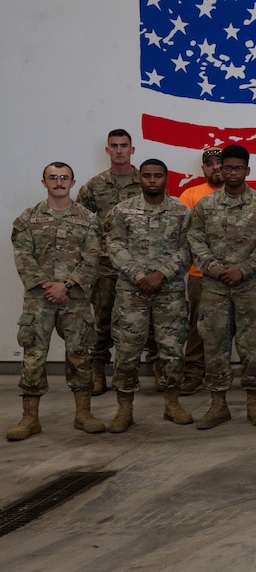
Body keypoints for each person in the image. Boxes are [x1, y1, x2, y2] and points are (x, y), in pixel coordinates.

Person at [6, 162, 105, 441]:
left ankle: (83, 413)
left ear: (73, 183)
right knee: (34, 356)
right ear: (44, 182)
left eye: (64, 178)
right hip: (39, 298)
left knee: (79, 355)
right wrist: (47, 285)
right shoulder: (28, 218)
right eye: (53, 178)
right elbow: (23, 254)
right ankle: (29, 418)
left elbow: (92, 257)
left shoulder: (88, 219)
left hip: (75, 298)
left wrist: (67, 285)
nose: (59, 182)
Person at [187, 145, 256, 430]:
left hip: (250, 286)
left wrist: (244, 269)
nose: (233, 173)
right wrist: (215, 268)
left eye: (238, 168)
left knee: (253, 347)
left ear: (247, 171)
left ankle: (254, 403)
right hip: (214, 287)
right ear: (221, 170)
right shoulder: (206, 205)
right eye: (227, 168)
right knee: (214, 346)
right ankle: (218, 405)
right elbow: (195, 240)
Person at [106, 159, 193, 432]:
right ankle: (124, 409)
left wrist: (162, 275)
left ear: (166, 178)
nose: (152, 180)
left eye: (157, 176)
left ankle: (172, 404)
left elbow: (188, 249)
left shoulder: (181, 212)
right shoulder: (123, 210)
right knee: (126, 351)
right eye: (147, 176)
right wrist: (138, 276)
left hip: (170, 292)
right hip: (132, 293)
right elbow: (114, 245)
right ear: (139, 179)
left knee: (172, 351)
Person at [78, 129, 143, 396]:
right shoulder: (94, 186)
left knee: (143, 321)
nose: (119, 150)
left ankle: (156, 369)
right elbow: (82, 225)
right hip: (105, 266)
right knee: (102, 320)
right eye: (114, 146)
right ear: (107, 150)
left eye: (123, 145)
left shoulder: (146, 181)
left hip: (138, 265)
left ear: (132, 149)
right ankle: (97, 371)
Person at [177, 147, 224, 395]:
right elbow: (186, 237)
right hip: (201, 275)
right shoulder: (191, 195)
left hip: (238, 277)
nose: (216, 167)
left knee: (241, 326)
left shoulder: (245, 196)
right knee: (198, 327)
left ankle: (240, 374)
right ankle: (194, 372)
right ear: (203, 168)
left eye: (220, 162)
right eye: (210, 163)